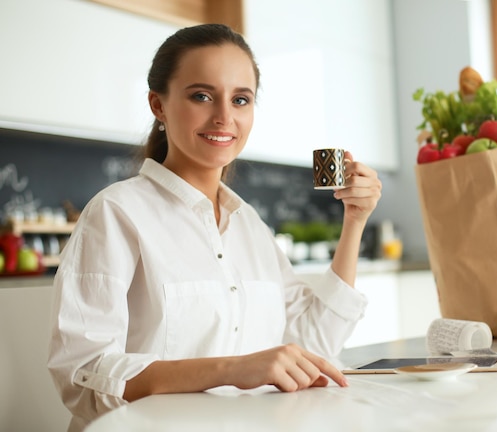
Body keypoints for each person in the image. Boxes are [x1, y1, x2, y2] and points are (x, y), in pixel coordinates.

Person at [48, 23, 382, 431]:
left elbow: (313, 347)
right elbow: (83, 374)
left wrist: (355, 221)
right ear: (158, 105)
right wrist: (231, 369)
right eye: (202, 96)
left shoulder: (251, 228)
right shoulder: (117, 213)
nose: (224, 117)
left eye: (241, 99)